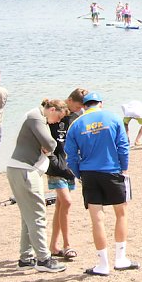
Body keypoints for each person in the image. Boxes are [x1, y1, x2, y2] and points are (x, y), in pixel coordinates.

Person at [65, 92, 138, 276]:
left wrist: (78, 174)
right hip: (112, 170)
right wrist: (124, 168)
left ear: (84, 105)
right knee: (121, 213)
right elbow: (123, 145)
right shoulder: (112, 117)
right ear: (100, 103)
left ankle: (103, 264)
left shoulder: (76, 124)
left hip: (89, 173)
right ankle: (120, 259)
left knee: (96, 219)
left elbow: (71, 155)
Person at [7, 98, 69, 273]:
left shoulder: (36, 117)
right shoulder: (36, 117)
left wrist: (47, 147)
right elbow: (50, 143)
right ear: (52, 109)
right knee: (37, 216)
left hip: (19, 169)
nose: (58, 121)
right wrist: (50, 146)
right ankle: (43, 259)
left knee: (28, 216)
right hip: (25, 170)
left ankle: (26, 258)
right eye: (59, 117)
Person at [47, 88, 85, 261]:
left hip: (69, 167)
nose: (79, 110)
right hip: (56, 166)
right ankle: (67, 245)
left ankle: (54, 246)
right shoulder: (55, 115)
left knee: (60, 207)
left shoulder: (76, 118)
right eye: (77, 106)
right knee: (67, 203)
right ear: (69, 100)